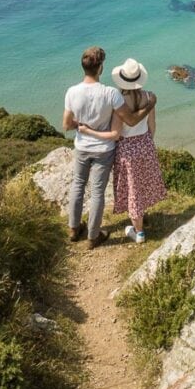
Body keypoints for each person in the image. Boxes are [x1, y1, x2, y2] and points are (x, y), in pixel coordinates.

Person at [63, 45, 156, 248]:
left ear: (83, 67)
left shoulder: (72, 92)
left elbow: (66, 124)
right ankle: (92, 236)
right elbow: (130, 120)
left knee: (78, 185)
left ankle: (73, 228)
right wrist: (150, 104)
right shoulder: (111, 94)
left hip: (81, 147)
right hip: (104, 149)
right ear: (101, 68)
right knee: (97, 192)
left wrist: (81, 126)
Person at [110, 58, 167, 244]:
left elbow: (117, 132)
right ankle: (142, 215)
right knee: (142, 182)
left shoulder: (118, 101)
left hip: (127, 148)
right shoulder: (149, 97)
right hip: (145, 143)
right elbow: (152, 125)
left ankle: (139, 232)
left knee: (132, 188)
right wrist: (147, 141)